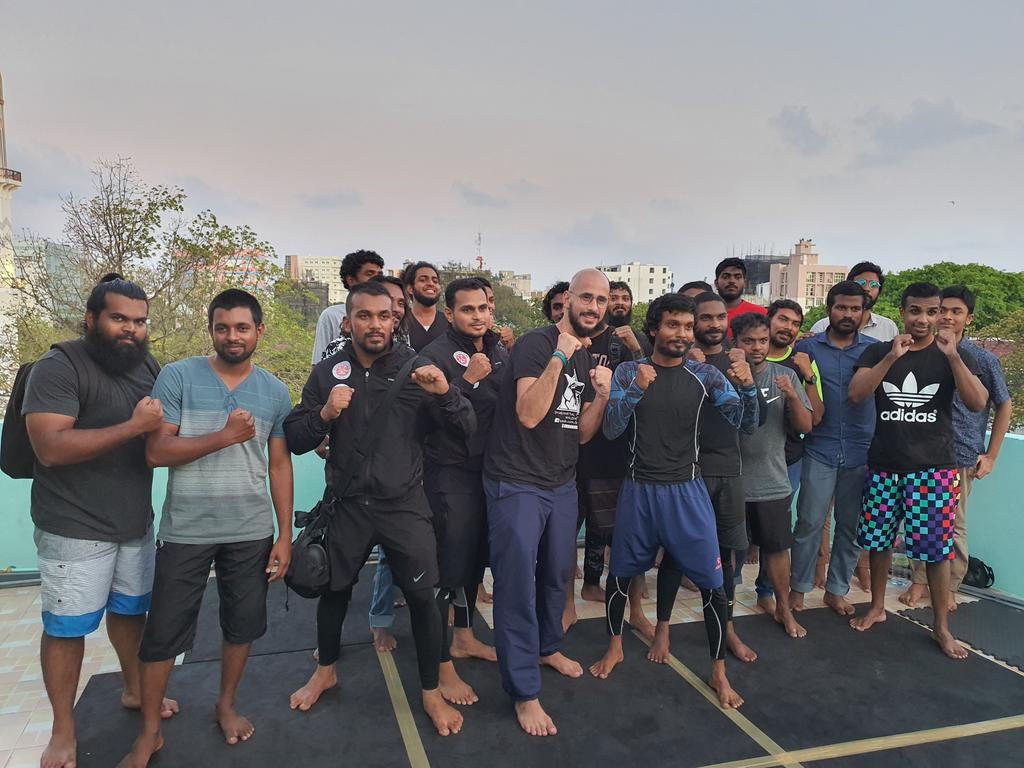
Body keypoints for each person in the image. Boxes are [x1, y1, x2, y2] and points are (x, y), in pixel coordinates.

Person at [283, 281, 475, 736]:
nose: (374, 324)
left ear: (396, 320)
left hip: (404, 506)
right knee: (334, 591)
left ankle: (429, 691)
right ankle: (326, 669)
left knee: (425, 600)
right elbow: (295, 437)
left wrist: (446, 392)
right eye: (363, 316)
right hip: (347, 506)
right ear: (348, 322)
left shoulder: (419, 369)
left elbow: (466, 429)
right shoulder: (329, 371)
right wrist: (325, 414)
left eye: (383, 316)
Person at [121, 289, 294, 767]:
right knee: (163, 633)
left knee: (241, 626)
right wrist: (224, 437)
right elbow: (156, 453)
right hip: (187, 529)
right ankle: (150, 731)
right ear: (211, 329)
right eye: (223, 327)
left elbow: (279, 466)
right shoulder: (178, 376)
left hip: (251, 529)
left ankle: (226, 705)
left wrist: (284, 535)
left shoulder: (275, 391)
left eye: (242, 327)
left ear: (259, 331)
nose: (232, 336)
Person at [22, 275, 174, 768]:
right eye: (118, 318)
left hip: (133, 520)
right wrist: (134, 426)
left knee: (131, 612)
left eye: (138, 321)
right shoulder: (59, 366)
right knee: (67, 628)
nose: (130, 329)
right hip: (73, 525)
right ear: (90, 319)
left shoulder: (147, 366)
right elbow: (50, 447)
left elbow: (164, 435)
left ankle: (134, 690)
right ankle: (63, 731)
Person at [588, 294, 757, 710]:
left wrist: (749, 388)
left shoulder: (705, 376)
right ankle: (615, 646)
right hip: (639, 490)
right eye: (673, 325)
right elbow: (610, 431)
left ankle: (718, 671)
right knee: (621, 576)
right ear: (653, 329)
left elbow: (746, 425)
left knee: (713, 586)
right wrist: (633, 393)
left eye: (687, 326)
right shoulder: (631, 370)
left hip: (687, 491)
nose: (681, 333)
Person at [483, 268, 612, 736]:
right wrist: (560, 354)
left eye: (601, 300)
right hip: (517, 482)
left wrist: (600, 397)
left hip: (560, 483)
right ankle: (523, 691)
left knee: (558, 574)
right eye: (586, 298)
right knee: (516, 585)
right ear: (567, 301)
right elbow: (529, 412)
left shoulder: (586, 357)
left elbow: (579, 433)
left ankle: (546, 646)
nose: (594, 306)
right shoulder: (538, 345)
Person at [848, 282, 988, 660]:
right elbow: (857, 393)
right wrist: (891, 359)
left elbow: (977, 403)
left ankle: (941, 627)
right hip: (885, 464)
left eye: (932, 312)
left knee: (935, 551)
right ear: (903, 312)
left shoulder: (954, 354)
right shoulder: (879, 349)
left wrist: (954, 358)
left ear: (941, 313)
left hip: (934, 470)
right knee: (877, 543)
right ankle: (877, 607)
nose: (924, 319)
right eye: (915, 311)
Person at [656, 292, 761, 663]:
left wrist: (747, 385)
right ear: (691, 322)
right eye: (705, 318)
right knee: (675, 554)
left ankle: (727, 628)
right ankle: (662, 627)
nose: (714, 324)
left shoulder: (738, 360)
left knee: (728, 557)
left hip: (728, 470)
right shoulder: (675, 362)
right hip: (689, 472)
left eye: (720, 317)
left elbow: (751, 425)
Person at [419, 278, 507, 705]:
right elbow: (433, 420)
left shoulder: (497, 350)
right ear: (449, 313)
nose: (477, 316)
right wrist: (468, 382)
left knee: (473, 565)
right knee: (445, 573)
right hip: (448, 476)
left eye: (482, 308)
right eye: (467, 309)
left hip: (487, 473)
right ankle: (440, 666)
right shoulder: (432, 356)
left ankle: (465, 637)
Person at [900, 286, 1012, 611]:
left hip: (960, 454)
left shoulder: (982, 359)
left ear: (969, 318)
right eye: (942, 310)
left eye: (956, 311)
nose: (947, 316)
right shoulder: (919, 350)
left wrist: (991, 455)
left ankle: (950, 585)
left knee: (953, 524)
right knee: (918, 519)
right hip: (919, 451)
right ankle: (919, 581)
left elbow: (1003, 405)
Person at [566, 280, 652, 635]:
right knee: (565, 535)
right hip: (571, 452)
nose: (600, 306)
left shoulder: (628, 343)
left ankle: (635, 610)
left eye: (607, 299)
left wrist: (634, 347)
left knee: (625, 536)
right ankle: (567, 606)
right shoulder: (567, 341)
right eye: (594, 298)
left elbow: (651, 379)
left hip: (614, 452)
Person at [789, 281, 877, 616]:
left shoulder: (874, 350)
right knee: (809, 521)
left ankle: (837, 590)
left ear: (863, 313)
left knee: (851, 525)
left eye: (855, 309)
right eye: (841, 307)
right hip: (819, 447)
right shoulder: (808, 351)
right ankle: (798, 588)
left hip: (861, 449)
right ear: (829, 309)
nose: (848, 314)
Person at [732, 312, 813, 638]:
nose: (756, 347)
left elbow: (806, 427)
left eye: (762, 340)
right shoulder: (722, 376)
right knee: (730, 554)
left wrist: (792, 395)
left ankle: (782, 607)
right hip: (731, 483)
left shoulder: (785, 376)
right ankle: (725, 617)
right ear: (735, 343)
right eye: (748, 341)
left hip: (772, 480)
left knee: (778, 550)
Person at [312, 250, 384, 363]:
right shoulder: (331, 315)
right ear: (350, 280)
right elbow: (318, 364)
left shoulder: (390, 314)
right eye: (369, 274)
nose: (377, 280)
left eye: (379, 275)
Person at [809, 262, 899, 342]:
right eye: (861, 283)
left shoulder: (889, 327)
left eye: (873, 285)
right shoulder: (822, 326)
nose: (867, 289)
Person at [714, 258, 767, 336]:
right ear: (716, 283)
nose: (732, 281)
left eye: (738, 277)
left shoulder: (762, 314)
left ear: (745, 283)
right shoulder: (704, 314)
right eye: (726, 277)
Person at [404, 261, 450, 351]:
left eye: (435, 281)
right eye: (423, 280)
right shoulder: (400, 323)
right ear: (410, 289)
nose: (431, 284)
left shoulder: (451, 322)